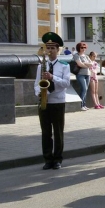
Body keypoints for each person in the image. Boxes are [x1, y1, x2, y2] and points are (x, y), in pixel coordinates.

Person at [34, 32, 70, 169]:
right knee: (46, 132)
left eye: (52, 48)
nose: (49, 51)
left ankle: (58, 159)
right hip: (45, 102)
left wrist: (52, 77)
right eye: (47, 48)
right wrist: (39, 93)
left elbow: (66, 83)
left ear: (58, 49)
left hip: (58, 102)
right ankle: (48, 159)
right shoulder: (40, 66)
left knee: (58, 132)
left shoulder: (64, 65)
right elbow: (36, 83)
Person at [73, 42, 91, 111]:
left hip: (88, 74)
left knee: (85, 90)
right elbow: (79, 64)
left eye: (84, 47)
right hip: (80, 74)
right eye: (82, 47)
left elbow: (91, 64)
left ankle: (84, 104)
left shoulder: (86, 56)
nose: (83, 49)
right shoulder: (76, 55)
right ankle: (81, 105)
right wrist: (87, 65)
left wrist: (85, 64)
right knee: (84, 89)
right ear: (78, 48)